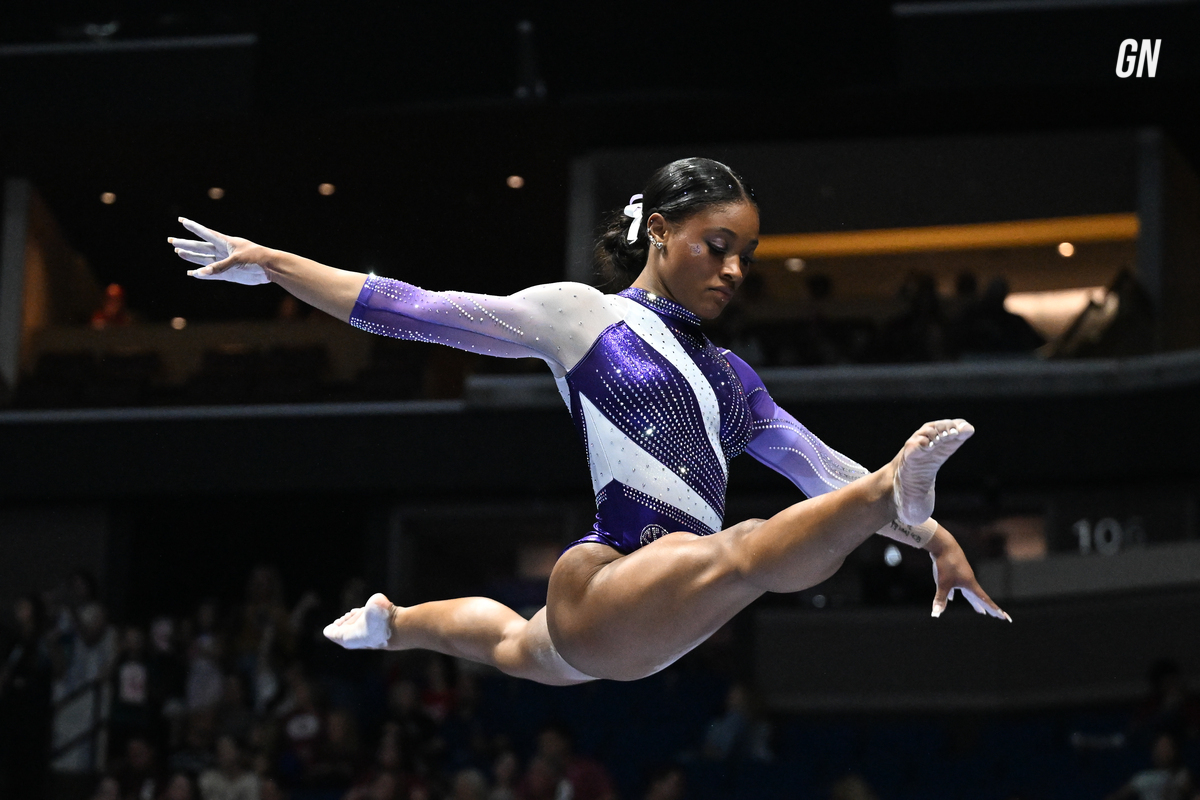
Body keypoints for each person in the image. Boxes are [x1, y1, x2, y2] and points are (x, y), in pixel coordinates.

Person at [167, 157, 1009, 687]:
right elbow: (413, 310)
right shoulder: (583, 317)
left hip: (655, 625)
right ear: (665, 230)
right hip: (613, 579)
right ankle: (893, 490)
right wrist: (273, 263)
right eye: (716, 245)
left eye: (744, 254)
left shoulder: (733, 377)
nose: (734, 268)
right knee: (747, 549)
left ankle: (396, 623)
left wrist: (934, 540)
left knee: (515, 650)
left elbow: (818, 468)